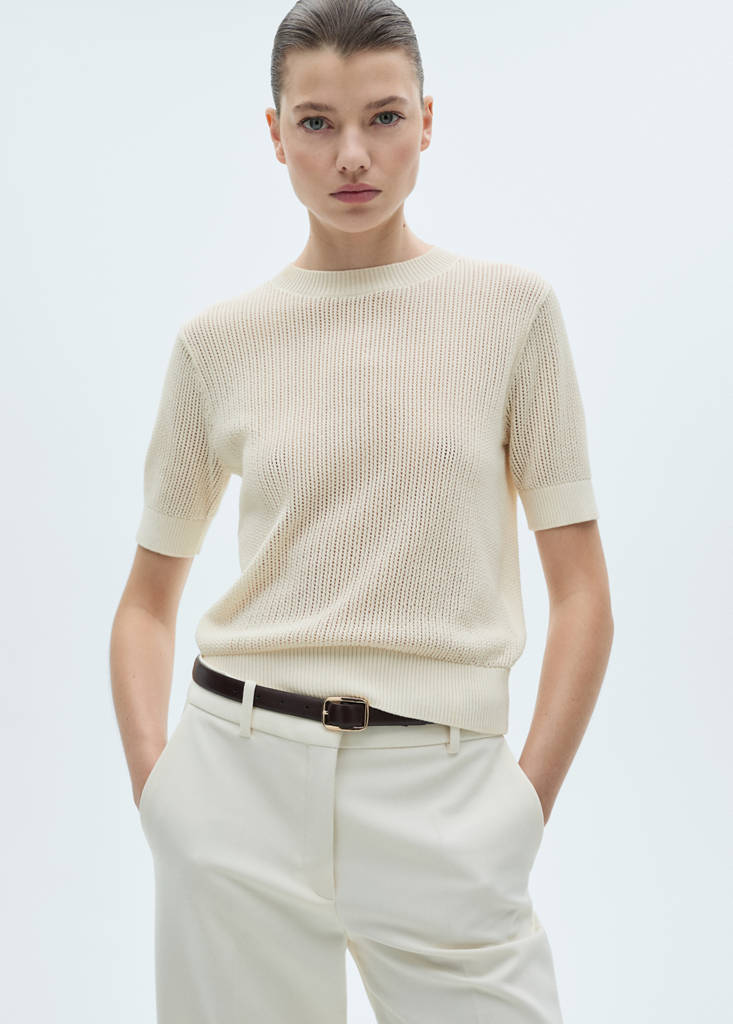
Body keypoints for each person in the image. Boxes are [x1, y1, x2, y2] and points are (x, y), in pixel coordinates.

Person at [110, 1, 614, 1021]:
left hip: (446, 800)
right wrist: (160, 791)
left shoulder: (511, 314)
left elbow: (583, 598)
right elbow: (146, 603)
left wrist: (522, 807)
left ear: (426, 120)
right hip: (235, 787)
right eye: (316, 122)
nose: (352, 155)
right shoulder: (218, 344)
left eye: (383, 117)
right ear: (275, 133)